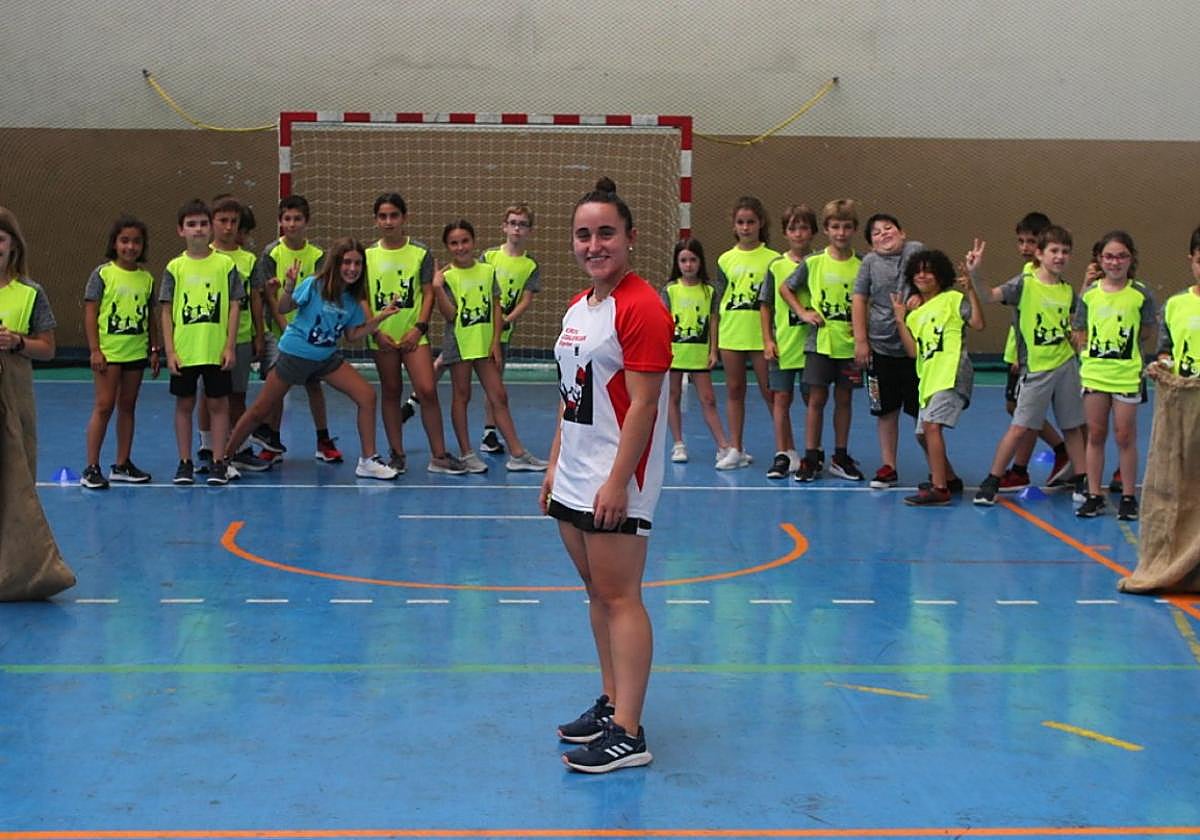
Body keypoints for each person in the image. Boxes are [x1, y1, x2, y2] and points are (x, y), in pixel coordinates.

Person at [543, 177, 672, 773]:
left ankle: (629, 731)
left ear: (630, 238)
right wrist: (553, 464)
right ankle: (611, 700)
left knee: (621, 596)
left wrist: (617, 482)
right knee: (597, 593)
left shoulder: (642, 306)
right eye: (584, 234)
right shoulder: (580, 306)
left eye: (606, 233)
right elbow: (572, 395)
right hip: (575, 470)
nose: (594, 244)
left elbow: (643, 404)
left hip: (615, 475)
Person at [225, 237, 402, 480]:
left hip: (326, 358)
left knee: (367, 395)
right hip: (295, 355)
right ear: (336, 263)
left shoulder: (352, 299)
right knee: (259, 410)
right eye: (347, 262)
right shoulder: (314, 284)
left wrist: (380, 318)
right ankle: (224, 458)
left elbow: (352, 335)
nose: (352, 268)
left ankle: (368, 460)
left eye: (358, 264)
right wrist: (288, 286)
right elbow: (285, 308)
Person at [974, 224, 1087, 505]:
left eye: (1065, 252)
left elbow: (1074, 326)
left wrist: (1077, 338)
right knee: (1020, 426)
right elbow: (988, 295)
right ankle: (993, 480)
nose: (1060, 256)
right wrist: (976, 272)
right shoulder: (1024, 285)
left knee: (1072, 426)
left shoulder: (1067, 291)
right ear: (1039, 254)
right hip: (1036, 370)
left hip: (1066, 367)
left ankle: (1082, 479)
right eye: (1054, 251)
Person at [0, 205, 75, 601]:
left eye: (0, 239)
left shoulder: (30, 293)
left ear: (13, 246)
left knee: (18, 478)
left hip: (15, 394)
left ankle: (18, 567)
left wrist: (16, 342)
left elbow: (47, 349)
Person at [432, 220, 548, 473]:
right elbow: (450, 315)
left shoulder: (487, 270)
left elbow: (496, 306)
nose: (460, 247)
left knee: (499, 396)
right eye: (454, 243)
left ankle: (517, 454)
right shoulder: (447, 278)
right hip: (461, 345)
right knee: (461, 396)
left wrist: (495, 342)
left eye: (465, 241)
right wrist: (438, 290)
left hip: (485, 346)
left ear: (473, 242)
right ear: (447, 247)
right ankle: (466, 454)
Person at [364, 193, 466, 475]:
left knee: (427, 389)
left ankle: (439, 456)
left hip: (413, 335)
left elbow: (428, 292)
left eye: (394, 215)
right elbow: (362, 296)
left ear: (404, 218)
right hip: (383, 336)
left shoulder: (420, 252)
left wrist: (419, 326)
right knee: (391, 391)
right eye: (382, 216)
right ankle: (397, 454)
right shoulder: (368, 255)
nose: (388, 221)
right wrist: (375, 331)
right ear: (376, 220)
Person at [1071, 231, 1156, 520]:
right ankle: (1094, 494)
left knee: (1124, 435)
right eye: (1109, 256)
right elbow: (1079, 331)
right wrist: (1090, 355)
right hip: (1095, 374)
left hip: (1126, 375)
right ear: (1099, 259)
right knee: (1095, 434)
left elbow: (1145, 332)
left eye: (1121, 256)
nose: (1115, 262)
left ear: (1131, 259)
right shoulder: (1090, 295)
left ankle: (1129, 496)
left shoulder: (1141, 293)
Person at [780, 198, 864, 481]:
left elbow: (871, 300)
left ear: (854, 229)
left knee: (844, 399)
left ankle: (840, 456)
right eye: (835, 227)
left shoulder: (863, 264)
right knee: (816, 399)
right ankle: (811, 456)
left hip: (849, 345)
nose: (841, 233)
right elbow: (785, 288)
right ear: (826, 229)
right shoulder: (813, 262)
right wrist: (803, 312)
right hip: (820, 343)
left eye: (847, 227)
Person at [891, 250, 984, 505]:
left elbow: (977, 323)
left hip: (952, 373)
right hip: (929, 378)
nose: (922, 275)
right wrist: (901, 319)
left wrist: (971, 291)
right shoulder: (915, 313)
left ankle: (939, 488)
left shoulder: (953, 299)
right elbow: (913, 352)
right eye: (917, 271)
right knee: (922, 433)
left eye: (928, 270)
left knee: (932, 427)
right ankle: (950, 479)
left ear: (941, 276)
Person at [160, 199, 243, 485]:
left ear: (211, 228)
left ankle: (219, 461)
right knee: (184, 405)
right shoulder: (174, 267)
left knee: (219, 405)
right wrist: (170, 351)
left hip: (215, 349)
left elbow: (234, 306)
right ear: (180, 231)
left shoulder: (225, 265)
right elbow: (166, 310)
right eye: (191, 225)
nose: (198, 230)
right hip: (185, 351)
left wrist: (229, 345)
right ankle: (185, 462)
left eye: (203, 224)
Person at [253, 195, 340, 464]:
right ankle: (273, 441)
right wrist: (284, 326)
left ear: (307, 222)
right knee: (277, 387)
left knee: (314, 385)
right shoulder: (270, 253)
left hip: (310, 335)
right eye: (287, 219)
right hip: (280, 333)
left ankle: (323, 440)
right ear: (280, 222)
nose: (292, 224)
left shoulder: (317, 256)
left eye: (297, 219)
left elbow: (319, 294)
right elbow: (268, 295)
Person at [81, 215, 160, 489]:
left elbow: (151, 316)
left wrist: (153, 348)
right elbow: (91, 313)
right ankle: (91, 467)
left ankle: (122, 464)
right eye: (124, 241)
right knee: (104, 406)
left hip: (135, 353)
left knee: (128, 406)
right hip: (109, 353)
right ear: (114, 244)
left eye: (136, 242)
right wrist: (95, 350)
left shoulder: (147, 278)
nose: (130, 247)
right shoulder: (102, 274)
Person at [995, 212, 1070, 492]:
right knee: (1019, 409)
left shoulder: (1039, 277)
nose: (1024, 247)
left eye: (1031, 241)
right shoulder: (1026, 275)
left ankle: (1037, 460)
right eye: (1020, 241)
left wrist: (1018, 356)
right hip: (1019, 350)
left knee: (1022, 411)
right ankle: (1025, 466)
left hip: (1030, 357)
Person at [851, 213, 925, 489]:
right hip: (881, 347)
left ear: (902, 233)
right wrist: (861, 340)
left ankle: (939, 469)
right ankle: (888, 466)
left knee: (923, 412)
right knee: (885, 411)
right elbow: (860, 299)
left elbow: (934, 281)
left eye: (888, 228)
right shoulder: (870, 263)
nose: (884, 234)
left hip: (915, 348)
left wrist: (923, 296)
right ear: (871, 244)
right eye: (877, 233)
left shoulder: (916, 252)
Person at [198, 196, 271, 475]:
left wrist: (259, 333)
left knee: (237, 396)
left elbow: (255, 299)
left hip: (240, 337)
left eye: (233, 222)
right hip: (207, 337)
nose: (228, 227)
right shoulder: (202, 255)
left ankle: (238, 449)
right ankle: (206, 447)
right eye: (222, 221)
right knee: (208, 395)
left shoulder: (249, 260)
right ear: (212, 223)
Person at [714, 197, 780, 470]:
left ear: (760, 223)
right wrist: (714, 340)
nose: (745, 227)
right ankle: (736, 448)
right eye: (740, 222)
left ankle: (783, 449)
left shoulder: (774, 259)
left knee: (770, 392)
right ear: (734, 225)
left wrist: (773, 335)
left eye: (750, 222)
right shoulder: (725, 259)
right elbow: (718, 302)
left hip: (760, 334)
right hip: (732, 332)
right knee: (734, 389)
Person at [760, 204, 817, 478]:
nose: (798, 233)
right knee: (781, 399)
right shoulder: (776, 266)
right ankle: (784, 454)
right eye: (793, 228)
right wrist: (767, 339)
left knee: (812, 401)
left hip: (813, 347)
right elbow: (766, 305)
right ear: (785, 232)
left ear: (813, 232)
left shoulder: (819, 263)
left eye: (804, 227)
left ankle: (810, 454)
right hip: (784, 344)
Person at [479, 204, 541, 454]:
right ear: (504, 226)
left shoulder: (530, 266)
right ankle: (413, 402)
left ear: (529, 230)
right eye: (513, 223)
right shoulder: (489, 256)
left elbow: (526, 299)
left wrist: (506, 319)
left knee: (494, 383)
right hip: (478, 327)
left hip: (501, 333)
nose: (517, 228)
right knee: (447, 364)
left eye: (522, 224)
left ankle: (489, 432)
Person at [662, 237, 729, 464]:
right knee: (673, 396)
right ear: (677, 263)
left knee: (708, 399)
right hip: (675, 353)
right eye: (683, 260)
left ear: (700, 261)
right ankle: (678, 444)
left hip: (699, 354)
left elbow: (713, 321)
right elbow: (663, 322)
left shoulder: (710, 290)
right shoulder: (670, 290)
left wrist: (713, 350)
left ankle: (723, 446)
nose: (688, 265)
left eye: (692, 260)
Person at [1153, 225, 1200, 379]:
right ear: (1191, 260)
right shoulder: (1173, 304)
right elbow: (1164, 351)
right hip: (1185, 396)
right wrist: (1163, 365)